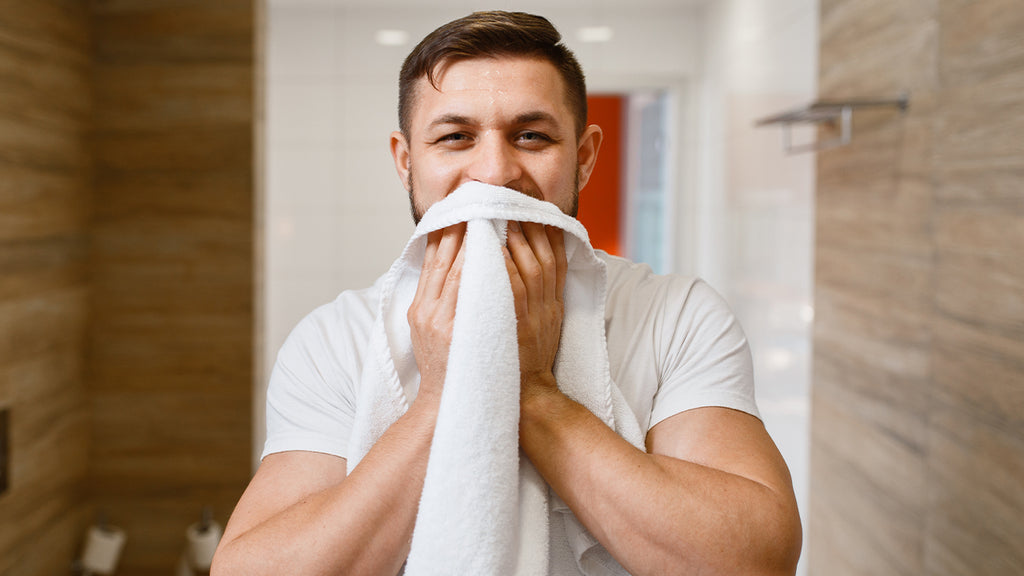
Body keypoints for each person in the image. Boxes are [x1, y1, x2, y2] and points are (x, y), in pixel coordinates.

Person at [212, 10, 801, 576]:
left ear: (586, 157)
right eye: (455, 137)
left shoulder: (675, 317)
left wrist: (536, 391)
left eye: (531, 135)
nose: (494, 173)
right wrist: (445, 392)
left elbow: (754, 561)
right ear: (405, 161)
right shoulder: (334, 339)